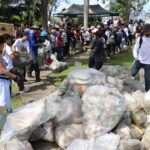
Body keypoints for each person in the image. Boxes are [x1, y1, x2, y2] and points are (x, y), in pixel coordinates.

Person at [0, 35, 16, 113]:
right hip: (1, 83)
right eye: (3, 44)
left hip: (3, 81)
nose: (4, 46)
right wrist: (14, 76)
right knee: (3, 105)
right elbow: (1, 70)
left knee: (6, 105)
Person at [132, 24, 150, 91]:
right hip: (139, 60)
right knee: (132, 73)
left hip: (148, 63)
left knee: (148, 80)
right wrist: (136, 57)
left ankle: (147, 93)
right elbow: (135, 49)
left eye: (147, 31)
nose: (146, 33)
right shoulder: (140, 39)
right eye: (145, 31)